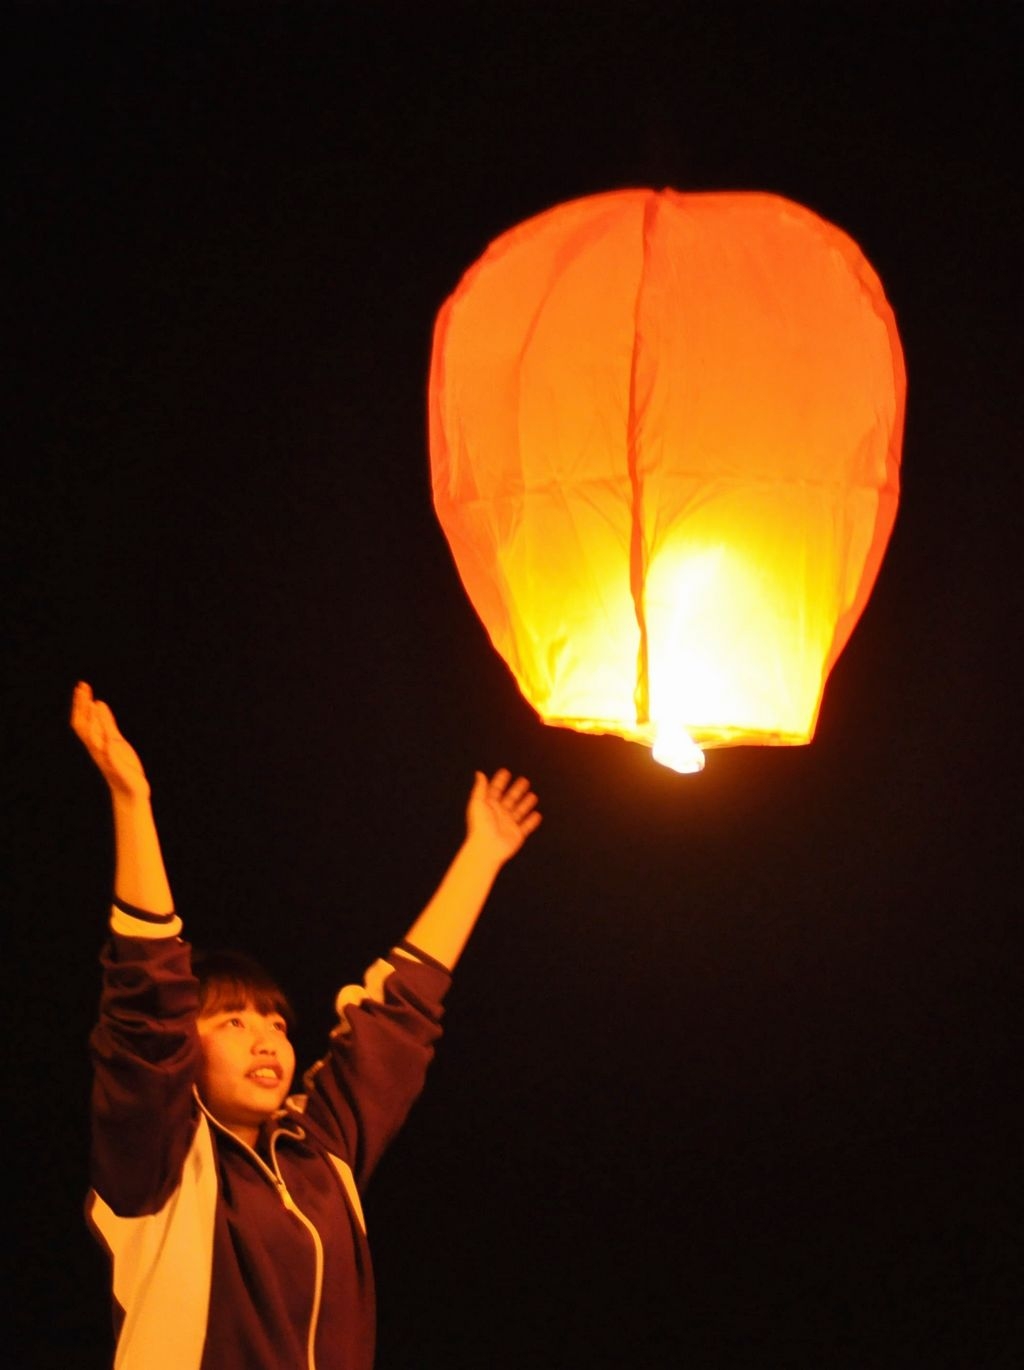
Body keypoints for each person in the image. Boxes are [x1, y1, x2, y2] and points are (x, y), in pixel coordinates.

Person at [71, 681, 541, 1370]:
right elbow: (146, 1009)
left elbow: (395, 1021)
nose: (266, 1038)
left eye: (276, 1023)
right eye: (232, 1021)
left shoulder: (319, 1153)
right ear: (184, 1051)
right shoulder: (156, 1167)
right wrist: (131, 801)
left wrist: (482, 855)